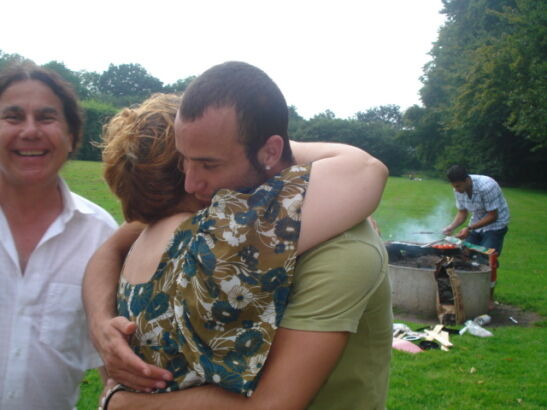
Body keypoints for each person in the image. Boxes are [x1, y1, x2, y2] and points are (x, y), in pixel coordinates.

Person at [84, 61, 392, 409]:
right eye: (185, 161)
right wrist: (99, 324)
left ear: (269, 150)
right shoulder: (215, 215)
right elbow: (365, 168)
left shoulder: (327, 244)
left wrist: (117, 390)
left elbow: (111, 247)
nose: (191, 183)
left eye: (209, 163)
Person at [0, 63, 117, 409]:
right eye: (13, 117)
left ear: (71, 136)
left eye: (47, 117)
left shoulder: (100, 237)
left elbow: (112, 363)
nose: (30, 131)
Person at [442, 165, 510, 255]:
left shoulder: (487, 186)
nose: (456, 190)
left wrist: (469, 228)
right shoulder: (458, 190)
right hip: (476, 223)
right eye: (454, 187)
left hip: (495, 226)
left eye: (458, 186)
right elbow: (462, 212)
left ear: (467, 180)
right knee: (464, 254)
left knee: (486, 257)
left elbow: (493, 216)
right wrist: (451, 227)